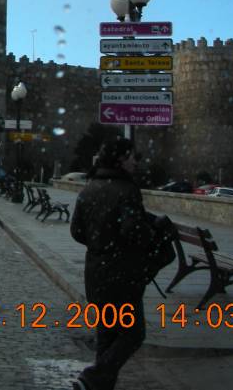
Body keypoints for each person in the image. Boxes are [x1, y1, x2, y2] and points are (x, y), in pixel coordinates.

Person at [70, 139, 156, 390]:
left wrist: (99, 243)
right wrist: (149, 234)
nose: (135, 161)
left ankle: (98, 386)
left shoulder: (88, 188)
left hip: (96, 272)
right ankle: (94, 377)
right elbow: (134, 232)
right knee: (132, 333)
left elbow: (76, 231)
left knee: (107, 333)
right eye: (132, 156)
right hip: (122, 274)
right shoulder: (126, 190)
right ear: (120, 159)